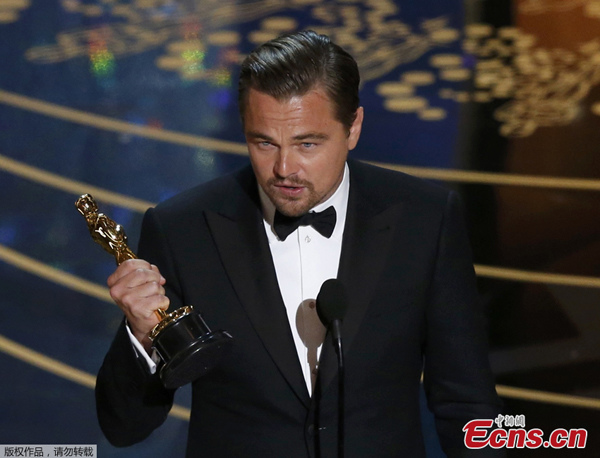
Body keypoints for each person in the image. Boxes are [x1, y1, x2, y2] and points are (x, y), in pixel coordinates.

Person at [95, 30, 503, 457]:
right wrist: (142, 339)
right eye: (264, 143)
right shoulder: (183, 229)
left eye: (307, 143)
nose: (284, 168)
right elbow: (125, 427)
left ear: (354, 128)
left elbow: (467, 402)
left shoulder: (425, 219)